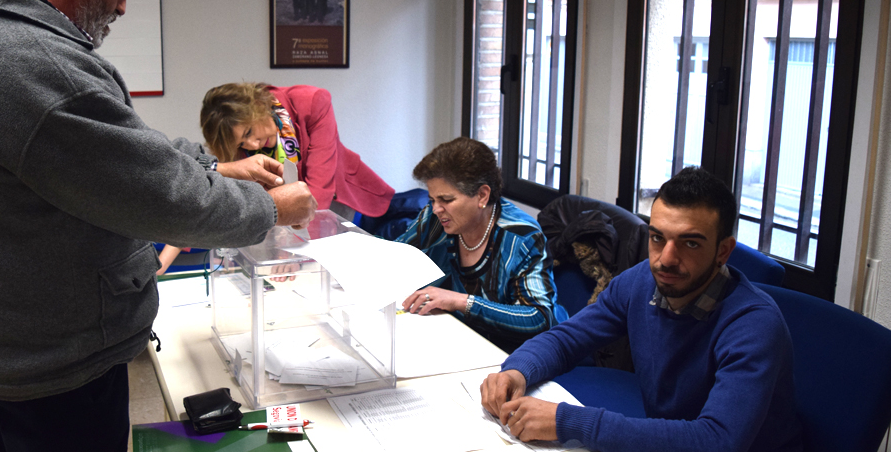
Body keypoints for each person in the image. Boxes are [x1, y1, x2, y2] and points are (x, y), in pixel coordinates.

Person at [0, 0, 315, 452]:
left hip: (3, 336)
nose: (124, 6)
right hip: (53, 358)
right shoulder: (35, 67)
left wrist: (218, 166)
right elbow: (163, 198)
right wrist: (272, 208)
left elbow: (124, 146)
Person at [480, 166, 802, 452]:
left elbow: (717, 440)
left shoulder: (754, 326)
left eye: (690, 243)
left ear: (723, 251)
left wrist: (568, 421)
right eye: (658, 238)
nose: (666, 259)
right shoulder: (640, 281)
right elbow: (567, 339)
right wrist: (517, 370)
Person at [157, 82, 394, 273]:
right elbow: (216, 196)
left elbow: (319, 186)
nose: (251, 144)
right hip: (284, 208)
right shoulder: (244, 148)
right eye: (242, 142)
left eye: (249, 132)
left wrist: (295, 251)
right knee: (283, 273)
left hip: (328, 201)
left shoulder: (312, 101)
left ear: (258, 107)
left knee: (325, 271)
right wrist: (164, 260)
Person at [396, 137, 568, 353]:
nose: (436, 208)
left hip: (516, 354)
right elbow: (395, 257)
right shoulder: (436, 218)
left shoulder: (521, 237)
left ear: (482, 195)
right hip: (460, 340)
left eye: (446, 200)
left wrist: (462, 302)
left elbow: (539, 318)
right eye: (432, 199)